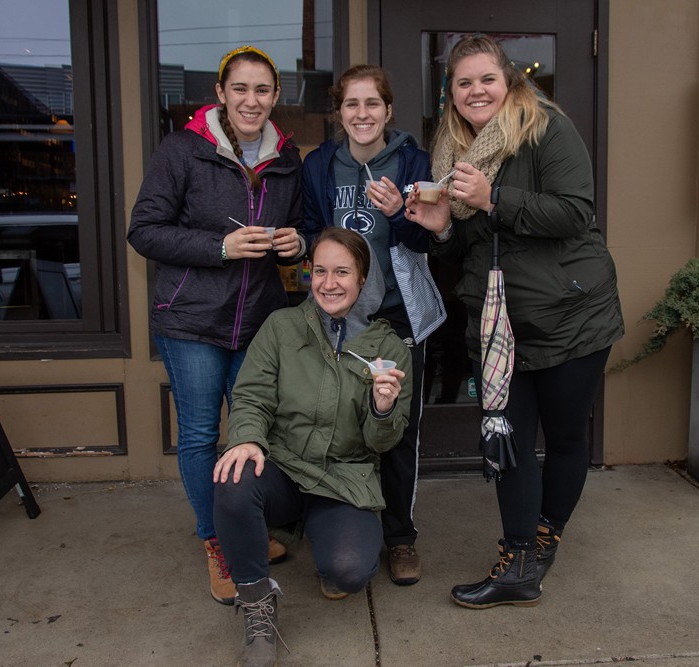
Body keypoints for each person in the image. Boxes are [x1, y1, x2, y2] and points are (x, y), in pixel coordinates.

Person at [404, 34, 624, 609]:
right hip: (499, 325)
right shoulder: (453, 151)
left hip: (571, 315)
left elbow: (576, 212)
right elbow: (469, 252)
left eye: (487, 79)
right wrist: (441, 228)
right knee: (509, 441)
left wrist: (494, 198)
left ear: (510, 82)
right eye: (463, 83)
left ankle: (546, 533)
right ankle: (519, 561)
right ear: (449, 93)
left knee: (568, 437)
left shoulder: (547, 128)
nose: (476, 91)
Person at [127, 45, 304, 605]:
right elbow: (144, 230)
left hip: (258, 322)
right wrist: (219, 247)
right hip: (191, 320)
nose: (251, 100)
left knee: (254, 435)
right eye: (240, 89)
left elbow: (294, 228)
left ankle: (244, 528)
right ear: (222, 94)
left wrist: (293, 245)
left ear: (276, 97)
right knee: (203, 435)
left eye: (262, 90)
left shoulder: (288, 158)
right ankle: (217, 544)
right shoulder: (182, 150)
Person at [212, 227, 411, 667]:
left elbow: (387, 440)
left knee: (350, 571)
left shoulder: (389, 348)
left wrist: (381, 408)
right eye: (319, 270)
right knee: (233, 474)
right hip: (284, 466)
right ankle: (258, 605)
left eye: (342, 271)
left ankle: (321, 536)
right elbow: (252, 396)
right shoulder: (282, 326)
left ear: (363, 280)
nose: (328, 282)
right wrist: (245, 438)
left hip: (342, 478)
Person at [301, 64, 444, 585]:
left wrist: (401, 215)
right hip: (339, 315)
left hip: (397, 316)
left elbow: (431, 239)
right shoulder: (320, 164)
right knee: (338, 423)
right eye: (351, 104)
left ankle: (401, 539)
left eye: (372, 104)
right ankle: (340, 528)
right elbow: (310, 232)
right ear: (339, 113)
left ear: (388, 110)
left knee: (397, 428)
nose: (362, 114)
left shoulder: (412, 160)